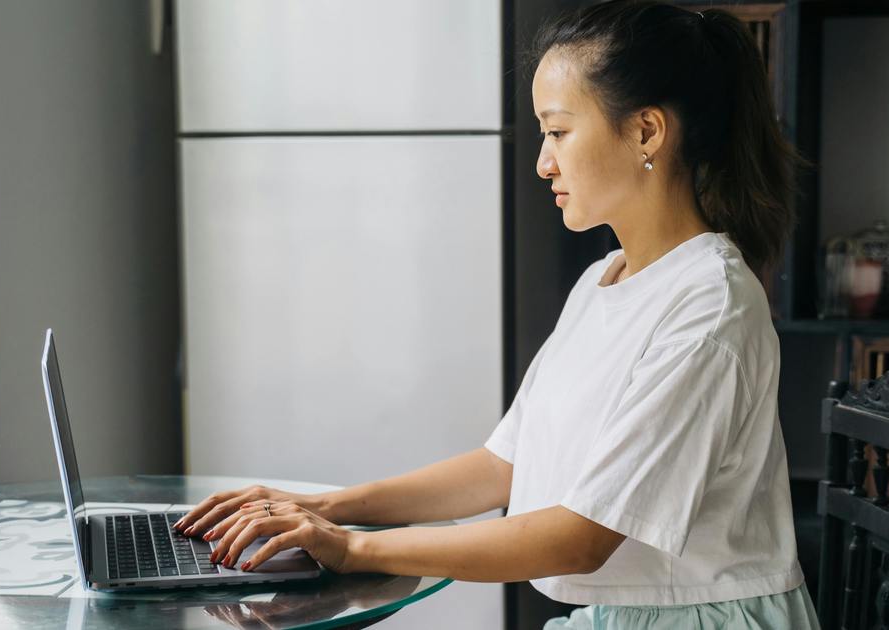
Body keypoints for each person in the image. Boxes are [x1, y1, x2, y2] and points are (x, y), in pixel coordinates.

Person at [174, 1, 819, 627]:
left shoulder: (709, 308)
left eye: (559, 131)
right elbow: (502, 466)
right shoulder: (604, 280)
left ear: (646, 130)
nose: (544, 162)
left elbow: (579, 537)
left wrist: (352, 548)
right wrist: (323, 508)